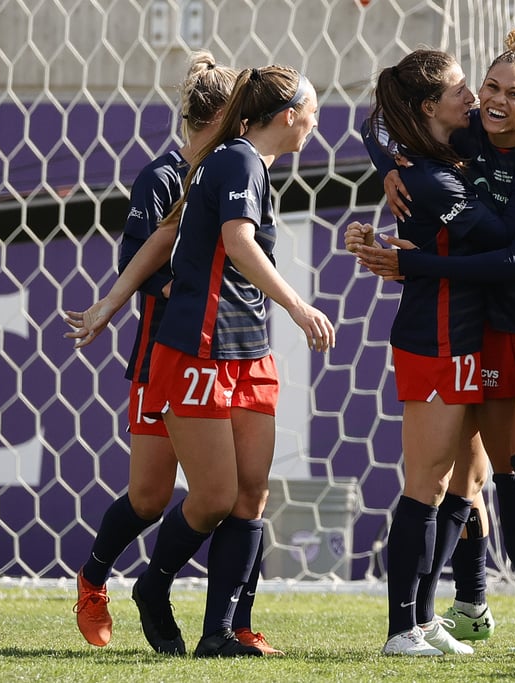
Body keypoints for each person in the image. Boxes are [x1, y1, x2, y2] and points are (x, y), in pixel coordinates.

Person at [68, 64, 335, 658]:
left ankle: (224, 631)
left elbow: (169, 235)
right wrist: (297, 305)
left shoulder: (236, 164)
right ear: (289, 115)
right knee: (203, 497)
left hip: (249, 350)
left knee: (251, 497)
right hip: (199, 347)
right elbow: (232, 240)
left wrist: (108, 304)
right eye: (312, 110)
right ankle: (150, 585)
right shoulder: (237, 159)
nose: (317, 122)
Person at [352, 28, 515, 655]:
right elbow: (375, 122)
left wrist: (413, 266)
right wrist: (389, 169)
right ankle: (425, 618)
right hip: (474, 333)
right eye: (480, 85)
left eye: (510, 92)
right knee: (463, 479)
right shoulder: (459, 149)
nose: (487, 98)